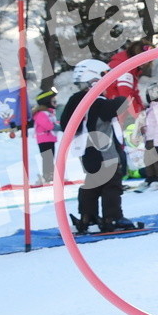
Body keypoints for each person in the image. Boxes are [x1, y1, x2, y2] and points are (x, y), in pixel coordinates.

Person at [59, 58, 141, 233]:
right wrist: (123, 96)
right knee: (111, 185)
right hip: (105, 152)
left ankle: (88, 217)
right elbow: (118, 105)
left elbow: (66, 124)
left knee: (92, 184)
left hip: (87, 153)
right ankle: (113, 217)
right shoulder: (97, 102)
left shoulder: (76, 102)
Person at [32, 91, 58, 184]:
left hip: (50, 139)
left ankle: (51, 174)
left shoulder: (49, 113)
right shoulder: (41, 114)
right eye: (52, 100)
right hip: (44, 139)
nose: (55, 102)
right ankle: (47, 175)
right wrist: (56, 126)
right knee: (47, 157)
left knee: (50, 157)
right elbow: (48, 125)